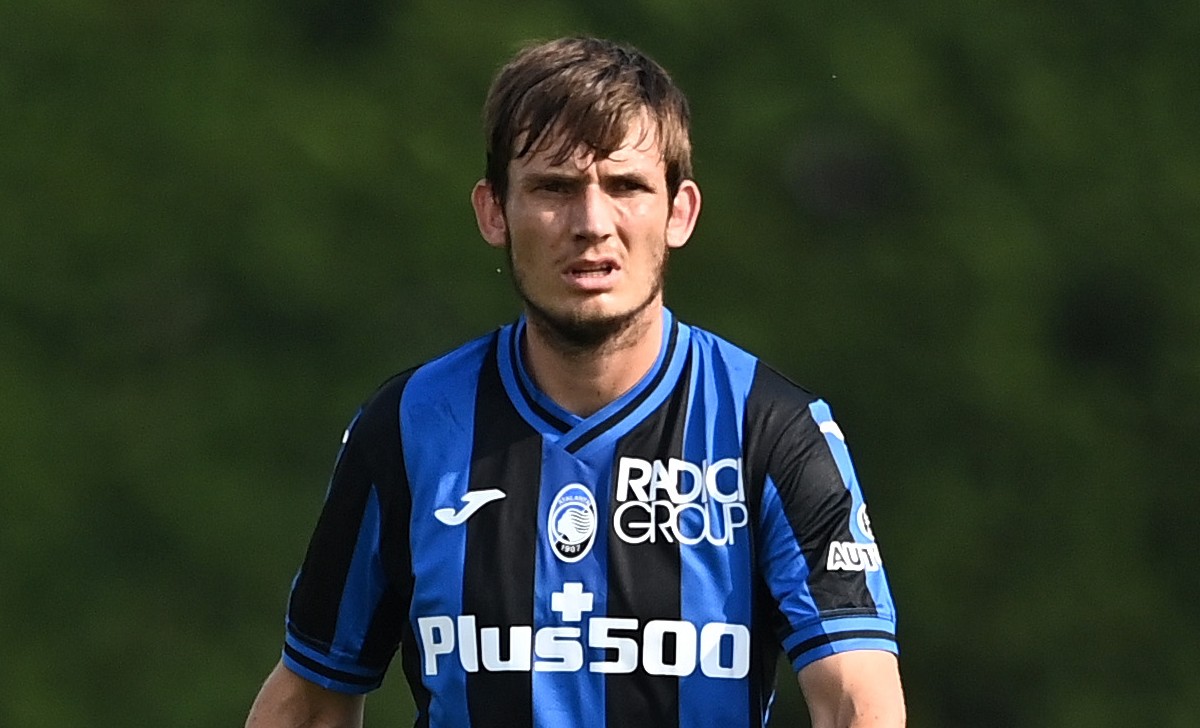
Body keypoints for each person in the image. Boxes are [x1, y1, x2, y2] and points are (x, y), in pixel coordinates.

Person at [246, 36, 905, 728]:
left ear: (679, 212)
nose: (592, 224)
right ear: (493, 211)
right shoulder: (408, 427)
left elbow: (857, 703)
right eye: (554, 188)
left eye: (626, 187)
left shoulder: (770, 430)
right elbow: (311, 703)